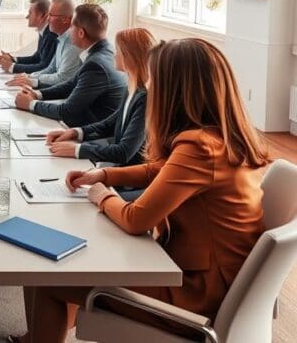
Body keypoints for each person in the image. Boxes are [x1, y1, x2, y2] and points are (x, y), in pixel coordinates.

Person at [14, 38, 269, 343]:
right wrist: (104, 173)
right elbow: (160, 170)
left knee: (49, 282)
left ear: (175, 90)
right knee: (66, 268)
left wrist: (102, 194)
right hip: (207, 278)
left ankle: (38, 336)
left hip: (194, 292)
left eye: (155, 81)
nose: (151, 88)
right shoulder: (219, 139)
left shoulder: (199, 148)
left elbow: (136, 219)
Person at [44, 27, 156, 168]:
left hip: (125, 179)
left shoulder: (145, 98)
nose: (114, 55)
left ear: (130, 56)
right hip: (113, 168)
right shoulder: (132, 88)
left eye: (118, 50)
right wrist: (75, 133)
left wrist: (77, 149)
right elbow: (109, 124)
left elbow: (124, 152)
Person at [15, 4, 125, 127]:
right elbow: (71, 85)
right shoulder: (104, 50)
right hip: (85, 123)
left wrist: (31, 104)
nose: (68, 29)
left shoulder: (96, 64)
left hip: (91, 131)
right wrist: (37, 94)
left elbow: (67, 111)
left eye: (72, 25)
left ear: (81, 33)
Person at [6, 0, 81, 89]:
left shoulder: (73, 43)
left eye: (51, 15)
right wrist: (29, 76)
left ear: (66, 19)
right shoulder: (61, 38)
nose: (48, 19)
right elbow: (51, 68)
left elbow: (63, 78)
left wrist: (32, 81)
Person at [0, 0, 57, 74]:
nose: (27, 17)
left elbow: (44, 67)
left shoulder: (50, 35)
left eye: (30, 13)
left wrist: (12, 67)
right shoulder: (43, 32)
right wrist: (12, 59)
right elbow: (36, 58)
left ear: (42, 15)